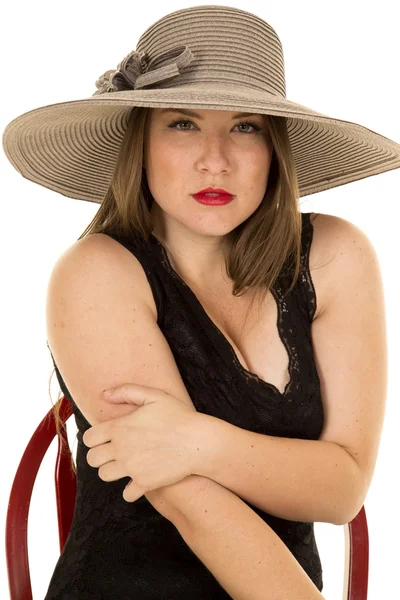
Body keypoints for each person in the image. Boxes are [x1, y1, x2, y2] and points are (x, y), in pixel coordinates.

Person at [2, 5, 397, 599]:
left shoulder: (337, 256)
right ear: (141, 142)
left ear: (275, 148)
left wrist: (199, 440)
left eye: (246, 126)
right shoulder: (94, 272)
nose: (216, 159)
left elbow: (343, 490)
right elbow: (192, 506)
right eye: (182, 123)